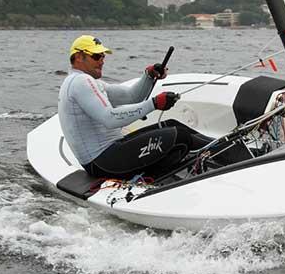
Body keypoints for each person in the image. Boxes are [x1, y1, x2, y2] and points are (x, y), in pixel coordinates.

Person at [58, 35, 208, 181]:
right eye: (97, 56)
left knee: (172, 124)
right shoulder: (81, 82)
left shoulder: (85, 81)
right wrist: (154, 104)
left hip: (110, 154)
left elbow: (131, 97)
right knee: (180, 137)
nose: (102, 61)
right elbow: (110, 119)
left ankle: (220, 145)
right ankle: (154, 179)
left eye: (103, 56)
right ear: (78, 57)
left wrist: (149, 76)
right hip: (104, 162)